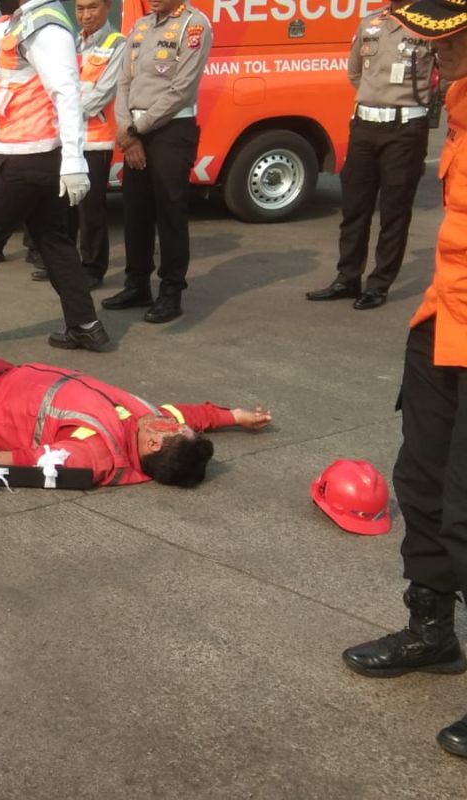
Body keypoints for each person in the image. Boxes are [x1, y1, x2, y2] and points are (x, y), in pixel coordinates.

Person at [341, 0, 467, 761]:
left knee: (466, 510)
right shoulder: (458, 96)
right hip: (444, 322)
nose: (432, 52)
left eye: (446, 39)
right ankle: (432, 630)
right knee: (419, 483)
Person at [0, 0, 106, 353]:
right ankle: (85, 325)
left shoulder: (45, 26)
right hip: (32, 155)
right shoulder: (27, 21)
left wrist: (75, 160)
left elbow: (66, 91)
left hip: (21, 157)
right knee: (53, 241)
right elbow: (8, 83)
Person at [0, 352, 270, 486]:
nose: (173, 420)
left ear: (154, 444)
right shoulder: (145, 424)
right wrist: (234, 416)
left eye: (176, 430)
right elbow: (190, 414)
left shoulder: (94, 453)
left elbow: (19, 461)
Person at [306, 0, 435, 311]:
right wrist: (375, 100)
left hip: (405, 129)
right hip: (365, 126)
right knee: (354, 207)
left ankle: (379, 284)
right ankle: (347, 277)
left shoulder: (429, 26)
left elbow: (443, 74)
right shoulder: (370, 22)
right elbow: (354, 72)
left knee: (394, 210)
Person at [103, 0, 211, 324]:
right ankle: (137, 284)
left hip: (171, 130)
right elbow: (123, 83)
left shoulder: (194, 25)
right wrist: (127, 132)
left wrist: (137, 128)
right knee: (136, 211)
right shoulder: (141, 26)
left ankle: (171, 291)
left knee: (170, 212)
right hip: (135, 131)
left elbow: (181, 89)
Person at [70, 0, 124, 289]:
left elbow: (102, 93)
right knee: (64, 205)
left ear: (107, 7)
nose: (85, 15)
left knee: (91, 210)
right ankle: (66, 264)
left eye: (92, 8)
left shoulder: (118, 44)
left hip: (95, 142)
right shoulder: (73, 43)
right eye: (80, 9)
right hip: (67, 139)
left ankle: (93, 268)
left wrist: (65, 111)